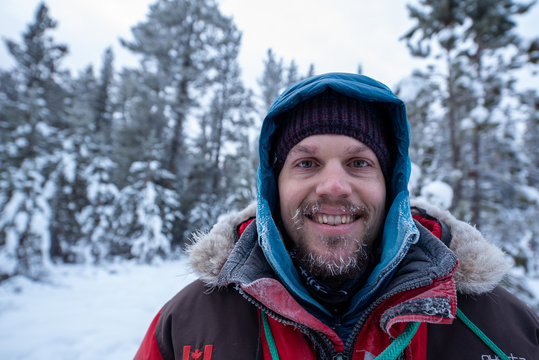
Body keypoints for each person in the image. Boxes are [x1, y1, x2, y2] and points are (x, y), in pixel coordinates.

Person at [135, 73, 538, 360]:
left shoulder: (504, 329)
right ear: (273, 187)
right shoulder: (186, 327)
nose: (333, 186)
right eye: (307, 162)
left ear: (392, 186)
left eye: (359, 163)